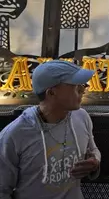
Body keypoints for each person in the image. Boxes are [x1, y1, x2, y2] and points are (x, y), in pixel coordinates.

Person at [0, 60, 101, 199]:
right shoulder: (14, 135)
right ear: (51, 92)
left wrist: (95, 161)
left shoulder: (82, 117)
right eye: (75, 85)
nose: (83, 89)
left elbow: (93, 150)